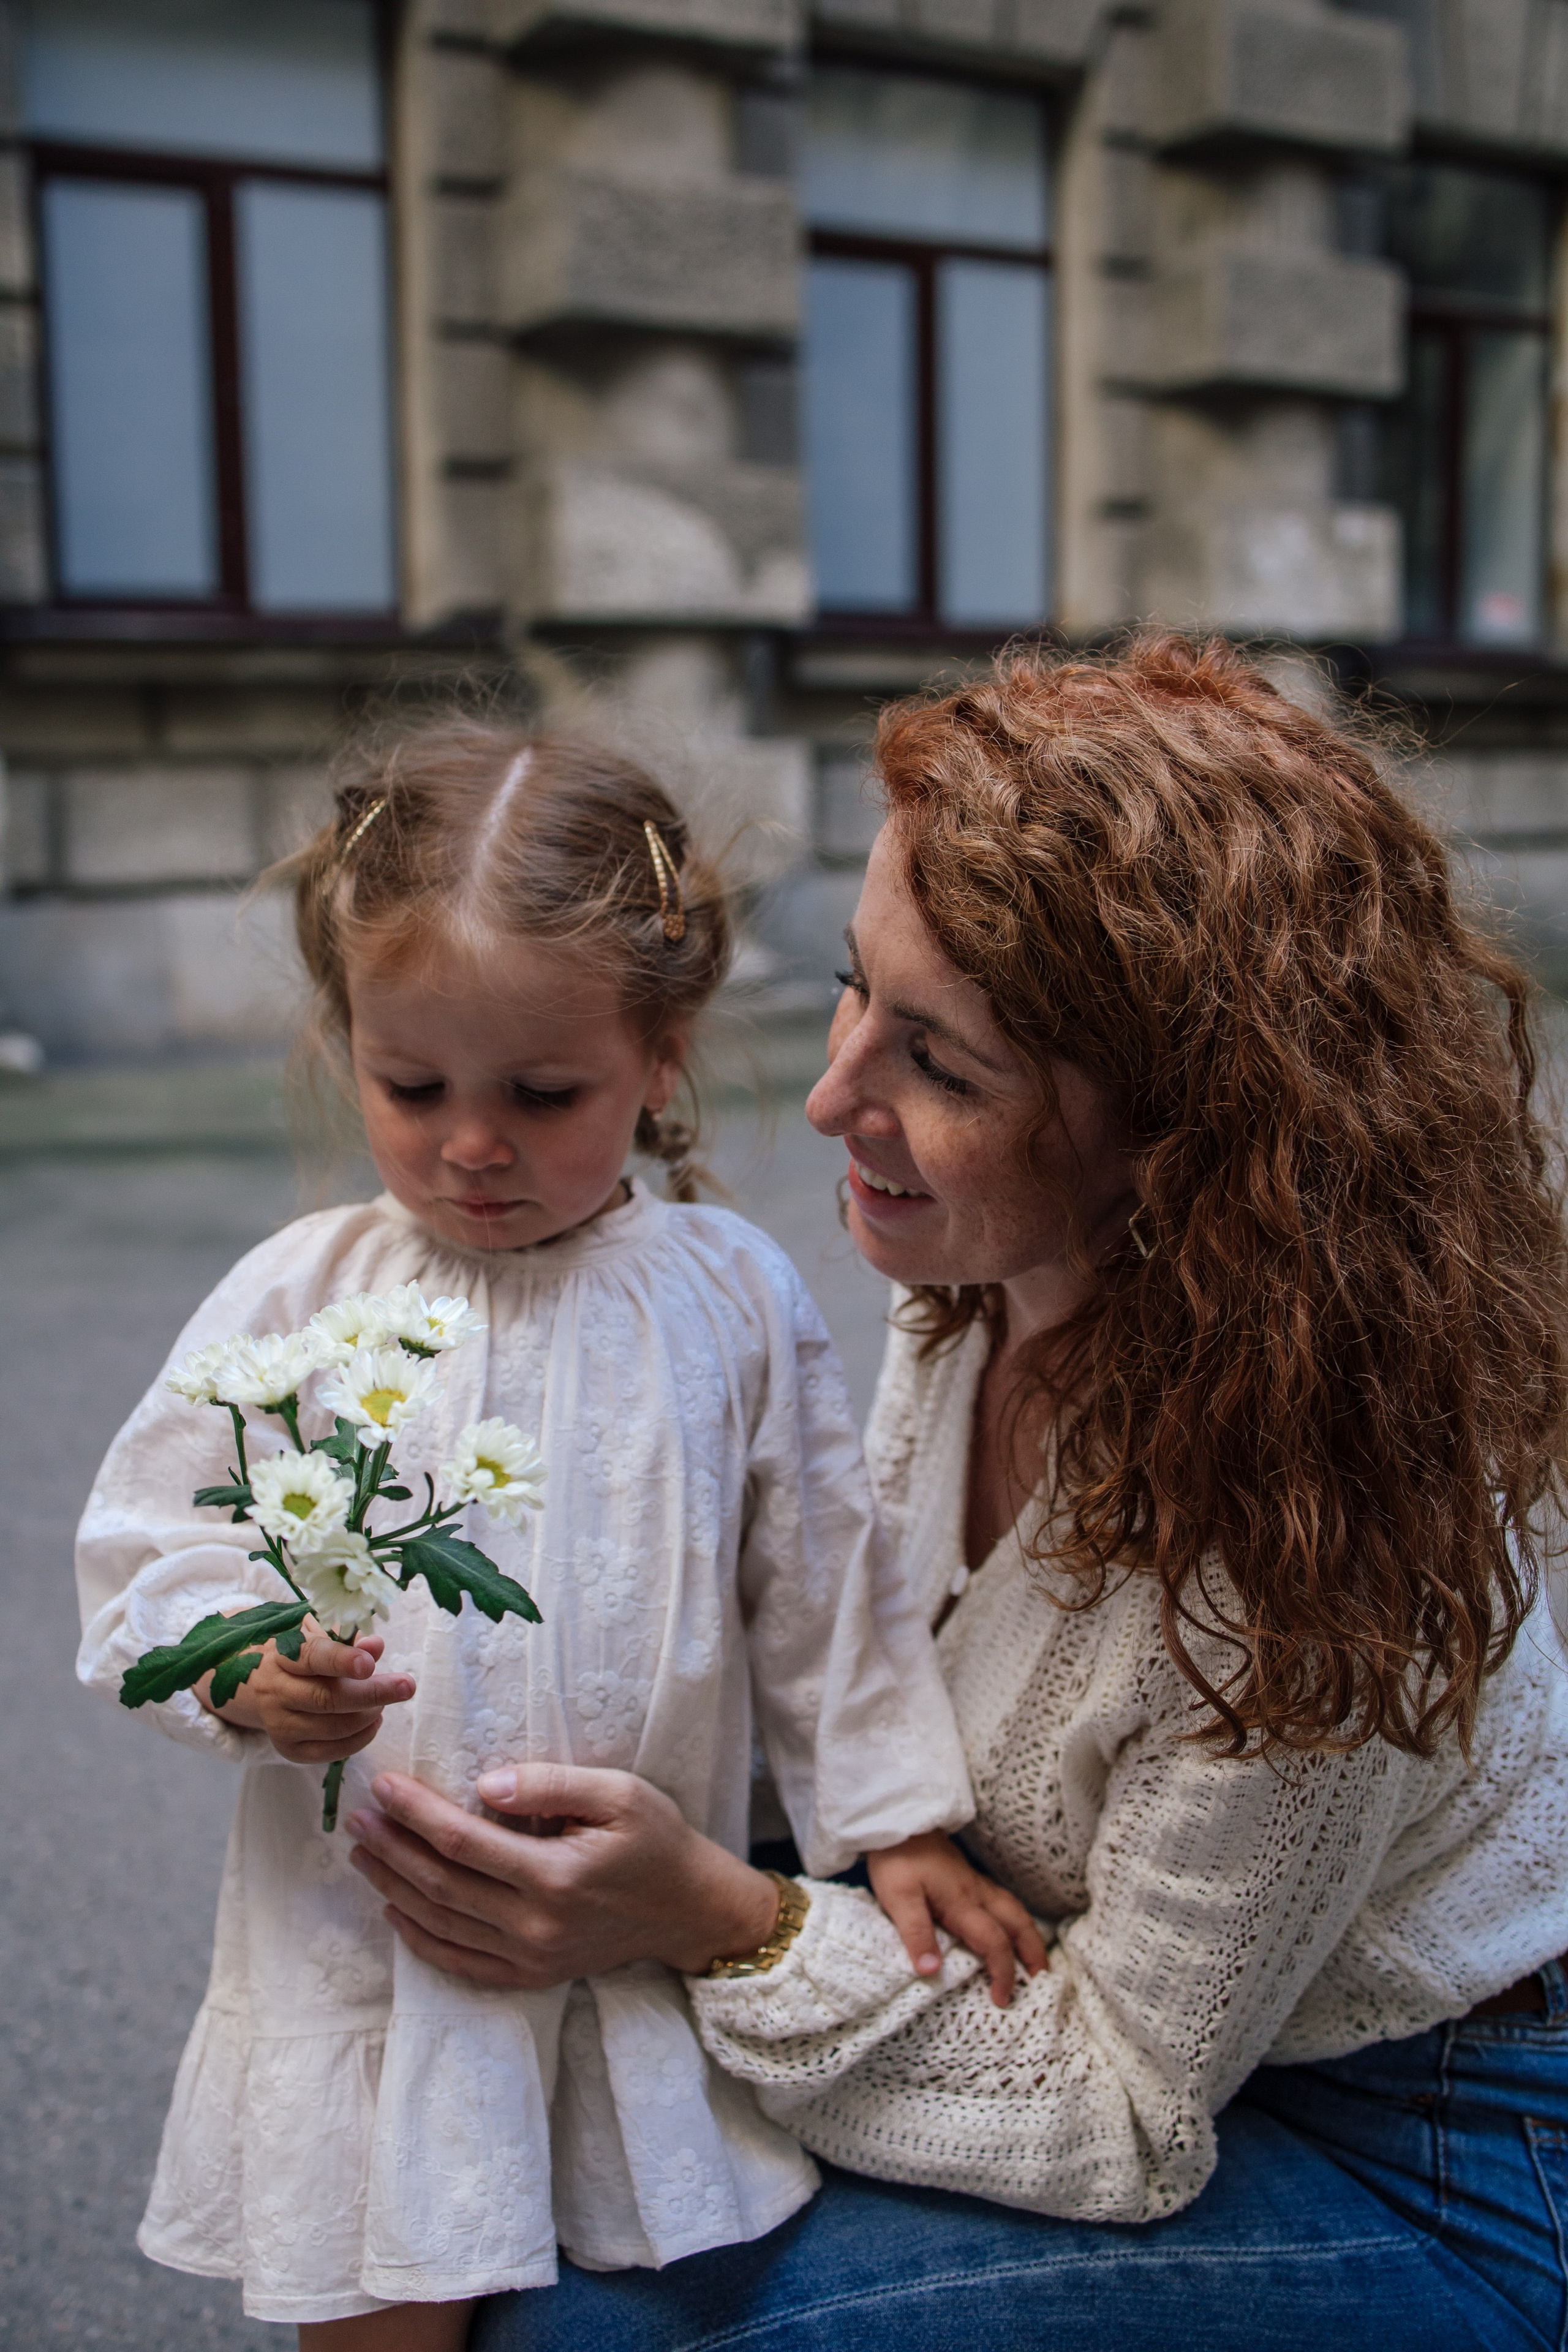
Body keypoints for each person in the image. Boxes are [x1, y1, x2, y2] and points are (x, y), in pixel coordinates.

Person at [339, 639, 1568, 2350]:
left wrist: (721, 1916)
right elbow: (866, 1670)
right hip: (1060, 1971)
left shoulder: (1317, 1520)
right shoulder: (993, 1280)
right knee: (470, 2179)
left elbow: (1128, 2111)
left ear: (1187, 1137)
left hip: (1425, 2146)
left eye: (943, 1066)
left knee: (581, 2328)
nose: (836, 1093)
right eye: (856, 988)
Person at [73, 719, 1045, 2350]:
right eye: (412, 1083)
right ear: (347, 1040)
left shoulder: (729, 1297)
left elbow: (825, 1591)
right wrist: (242, 1667)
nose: (471, 1141)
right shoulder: (304, 1303)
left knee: (609, 2300)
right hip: (371, 1937)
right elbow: (147, 1543)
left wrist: (901, 1828)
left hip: (619, 1944)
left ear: (662, 1055)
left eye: (541, 1091)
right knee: (382, 2299)